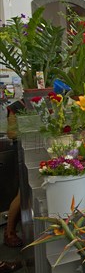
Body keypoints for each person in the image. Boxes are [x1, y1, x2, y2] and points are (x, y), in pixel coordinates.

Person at [4, 99, 24, 248]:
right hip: (22, 153)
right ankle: (9, 231)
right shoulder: (16, 107)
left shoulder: (48, 102)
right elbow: (10, 133)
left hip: (37, 151)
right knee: (21, 193)